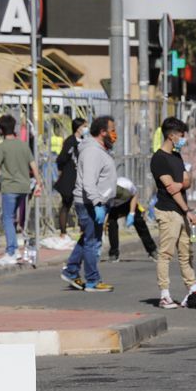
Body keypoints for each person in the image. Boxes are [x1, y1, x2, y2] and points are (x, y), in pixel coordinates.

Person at [60, 116, 116, 292]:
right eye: (112, 130)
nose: (115, 134)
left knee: (87, 239)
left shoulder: (98, 149)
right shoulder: (92, 152)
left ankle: (71, 270)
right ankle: (92, 280)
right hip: (90, 202)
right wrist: (98, 203)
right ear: (102, 132)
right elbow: (89, 182)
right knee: (92, 242)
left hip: (94, 202)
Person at [0, 114, 43, 266]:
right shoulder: (23, 145)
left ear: (0, 130)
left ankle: (11, 251)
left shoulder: (1, 147)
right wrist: (39, 183)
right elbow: (33, 166)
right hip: (24, 187)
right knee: (14, 218)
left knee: (7, 218)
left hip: (10, 187)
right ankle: (16, 249)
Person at [151, 116, 196, 309]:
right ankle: (164, 294)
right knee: (166, 253)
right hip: (169, 211)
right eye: (181, 135)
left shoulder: (176, 157)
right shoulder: (159, 159)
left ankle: (193, 290)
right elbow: (171, 188)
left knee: (186, 253)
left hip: (181, 211)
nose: (183, 138)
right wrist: (187, 210)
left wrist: (181, 184)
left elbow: (187, 181)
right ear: (171, 136)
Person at [47, 117, 87, 250]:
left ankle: (84, 231)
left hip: (82, 178)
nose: (86, 129)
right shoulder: (70, 141)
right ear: (78, 128)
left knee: (82, 205)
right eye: (84, 126)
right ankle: (63, 232)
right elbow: (61, 159)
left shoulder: (86, 141)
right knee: (66, 205)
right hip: (70, 178)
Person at [106, 176, 158, 261]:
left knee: (140, 223)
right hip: (113, 206)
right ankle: (113, 253)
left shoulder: (127, 184)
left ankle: (152, 250)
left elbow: (135, 195)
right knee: (112, 224)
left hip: (128, 203)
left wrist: (131, 213)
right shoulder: (105, 191)